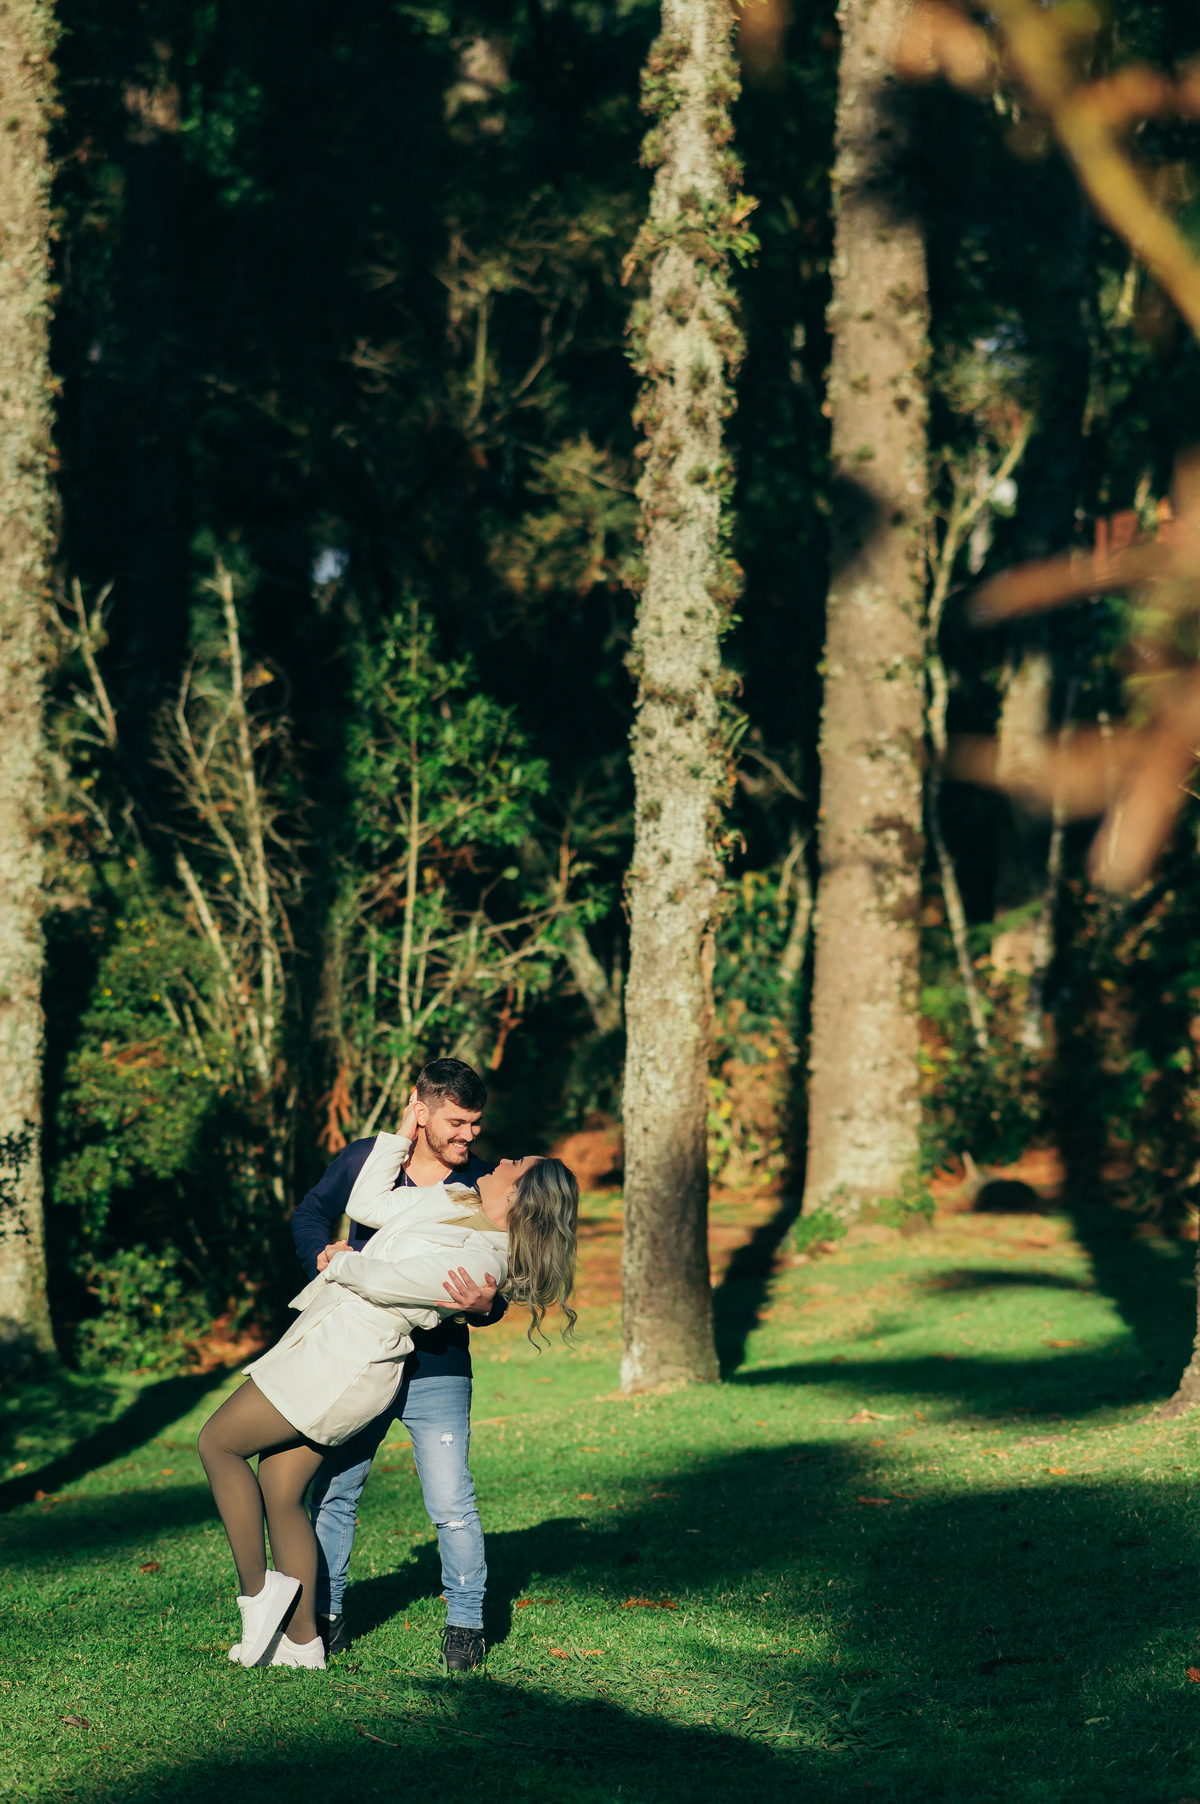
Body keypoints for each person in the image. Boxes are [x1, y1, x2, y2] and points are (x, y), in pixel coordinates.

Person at [197, 1104, 578, 1673]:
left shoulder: (486, 1254)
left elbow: (398, 1282)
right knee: (283, 1490)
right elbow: (366, 1207)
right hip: (331, 1340)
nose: (496, 1153)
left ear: (522, 1195)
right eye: (458, 1121)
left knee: (217, 1443)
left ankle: (259, 1595)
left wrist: (338, 1264)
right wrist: (399, 1135)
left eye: (515, 1161)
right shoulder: (458, 1198)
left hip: (352, 1358)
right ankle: (304, 1644)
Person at [291, 1059, 504, 1671]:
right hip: (359, 1355)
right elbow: (310, 1212)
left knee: (450, 1498)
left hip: (438, 1363)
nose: (467, 1136)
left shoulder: (483, 1182)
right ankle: (324, 1619)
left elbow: (497, 1269)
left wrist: (490, 1306)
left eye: (475, 1124)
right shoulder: (368, 1161)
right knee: (336, 1491)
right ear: (420, 1109)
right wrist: (322, 1255)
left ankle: (465, 1624)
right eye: (455, 1122)